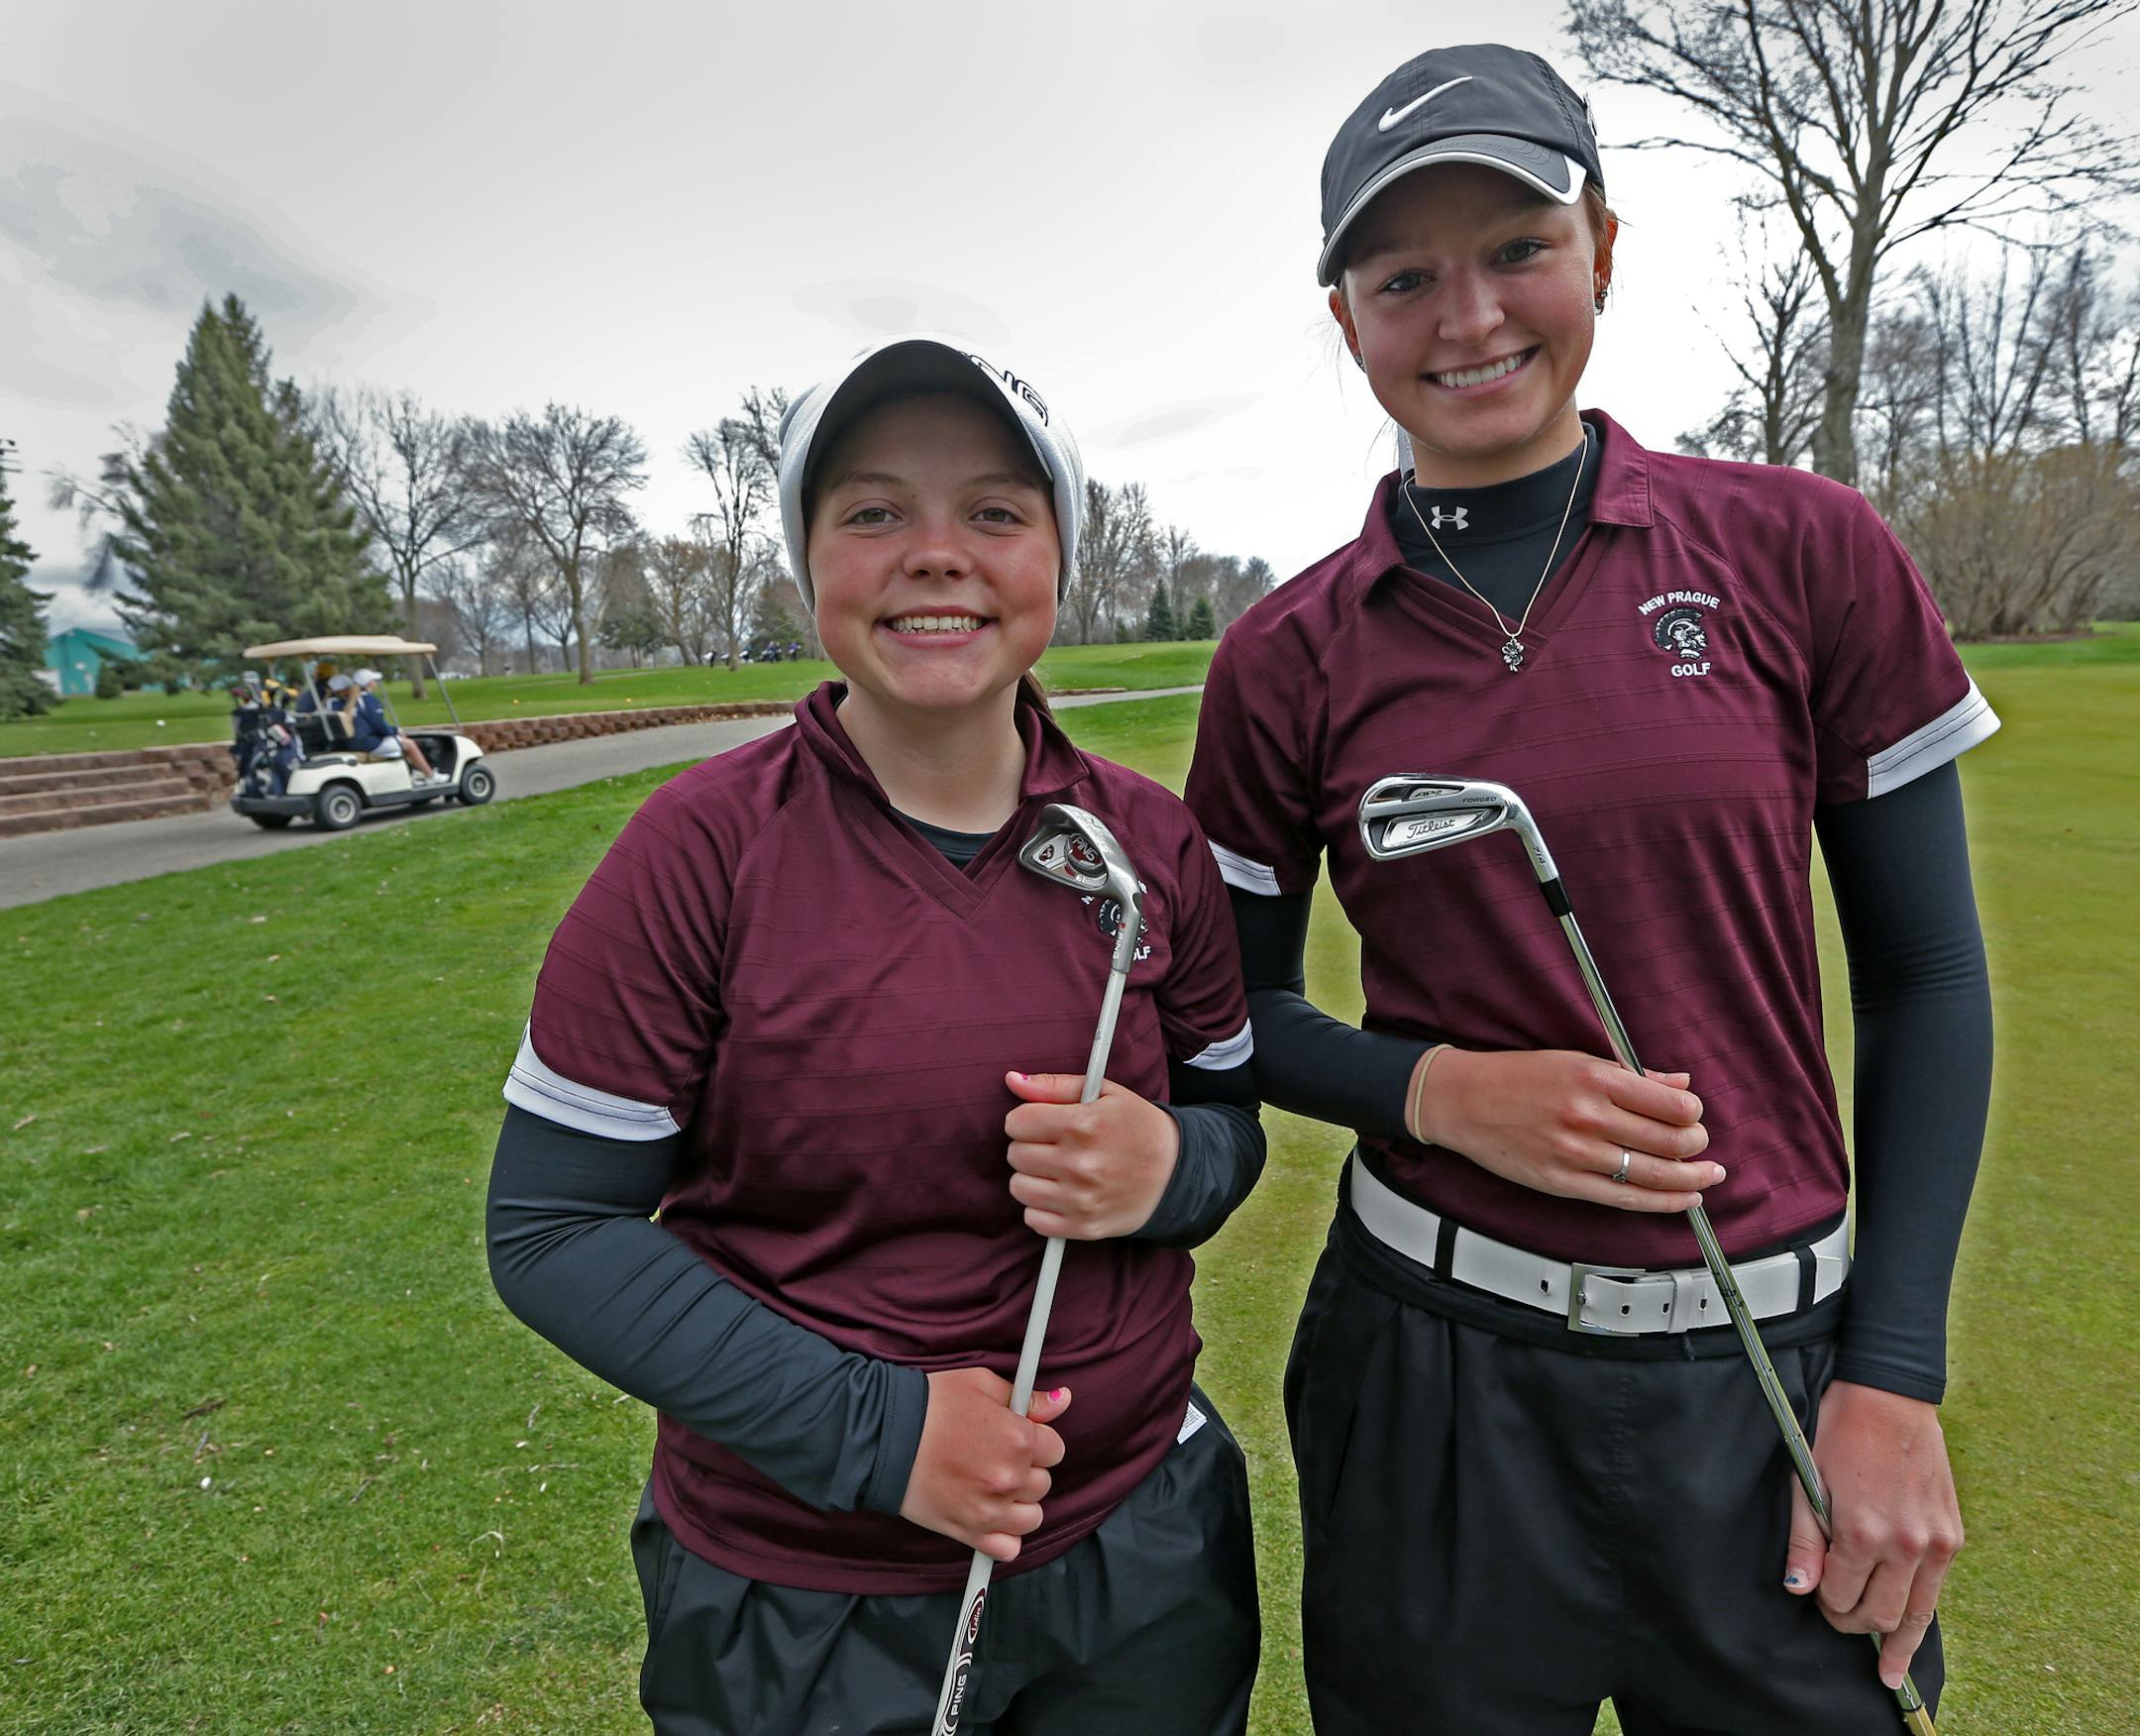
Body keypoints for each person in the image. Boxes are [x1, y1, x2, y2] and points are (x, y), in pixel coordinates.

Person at [1184, 44, 1994, 1735]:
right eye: (1404, 276)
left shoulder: (1805, 548)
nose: (1468, 314)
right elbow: (1225, 1018)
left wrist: (1894, 1377)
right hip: (1433, 1382)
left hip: (1768, 1371)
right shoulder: (1284, 656)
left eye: (1517, 249)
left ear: (1603, 251)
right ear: (1348, 322)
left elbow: (1925, 975)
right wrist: (1438, 1090)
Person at [487, 335, 1264, 1736]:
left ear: (1057, 557)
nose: (934, 554)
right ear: (806, 561)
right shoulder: (696, 853)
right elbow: (552, 1230)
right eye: (872, 511)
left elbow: (1231, 1133)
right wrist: (883, 1432)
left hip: (1142, 1549)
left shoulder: (1151, 846)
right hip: (804, 1594)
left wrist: (1170, 1171)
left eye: (994, 511)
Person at [347, 667, 438, 780]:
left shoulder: (353, 699)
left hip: (358, 741)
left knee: (399, 740)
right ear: (369, 683)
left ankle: (412, 772)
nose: (376, 683)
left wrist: (393, 732)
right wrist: (394, 731)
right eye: (374, 681)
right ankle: (430, 775)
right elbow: (379, 725)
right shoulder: (368, 699)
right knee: (409, 744)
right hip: (369, 743)